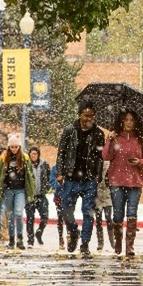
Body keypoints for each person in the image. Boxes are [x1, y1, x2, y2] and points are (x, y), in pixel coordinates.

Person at [56, 100, 105, 258]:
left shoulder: (98, 134)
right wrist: (60, 172)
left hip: (89, 178)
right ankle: (73, 231)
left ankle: (84, 243)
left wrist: (98, 175)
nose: (88, 119)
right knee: (66, 210)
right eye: (86, 115)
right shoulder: (70, 131)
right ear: (79, 115)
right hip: (71, 177)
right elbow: (61, 153)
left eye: (92, 116)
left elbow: (100, 157)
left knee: (88, 212)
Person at [103, 109, 143, 257]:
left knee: (132, 214)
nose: (129, 123)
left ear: (135, 122)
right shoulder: (115, 137)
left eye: (131, 120)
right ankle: (118, 242)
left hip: (135, 182)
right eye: (126, 119)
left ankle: (129, 247)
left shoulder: (141, 139)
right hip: (116, 182)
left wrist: (139, 162)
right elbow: (106, 156)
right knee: (118, 215)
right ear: (121, 121)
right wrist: (109, 140)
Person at [0, 133, 36, 250]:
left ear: (19, 147)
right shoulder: (4, 159)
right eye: (12, 147)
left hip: (20, 190)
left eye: (16, 147)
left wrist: (31, 188)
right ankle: (12, 240)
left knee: (18, 213)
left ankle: (20, 239)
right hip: (8, 190)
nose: (14, 149)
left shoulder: (25, 158)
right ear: (9, 147)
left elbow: (30, 175)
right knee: (10, 216)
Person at [25, 146, 50, 247]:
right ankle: (30, 240)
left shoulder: (44, 165)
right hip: (30, 196)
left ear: (38, 155)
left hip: (41, 195)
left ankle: (39, 232)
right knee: (30, 218)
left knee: (45, 217)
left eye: (35, 154)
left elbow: (49, 177)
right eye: (31, 154)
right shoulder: (26, 165)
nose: (33, 156)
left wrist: (47, 187)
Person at [93, 160, 113, 251]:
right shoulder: (95, 164)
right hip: (97, 196)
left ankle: (112, 241)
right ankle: (100, 242)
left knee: (109, 218)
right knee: (98, 220)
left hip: (107, 195)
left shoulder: (110, 164)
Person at [48, 163, 66, 250]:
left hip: (69, 195)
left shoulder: (71, 166)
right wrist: (59, 182)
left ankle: (71, 235)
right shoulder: (55, 168)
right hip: (59, 196)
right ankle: (61, 237)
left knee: (69, 216)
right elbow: (51, 181)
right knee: (60, 217)